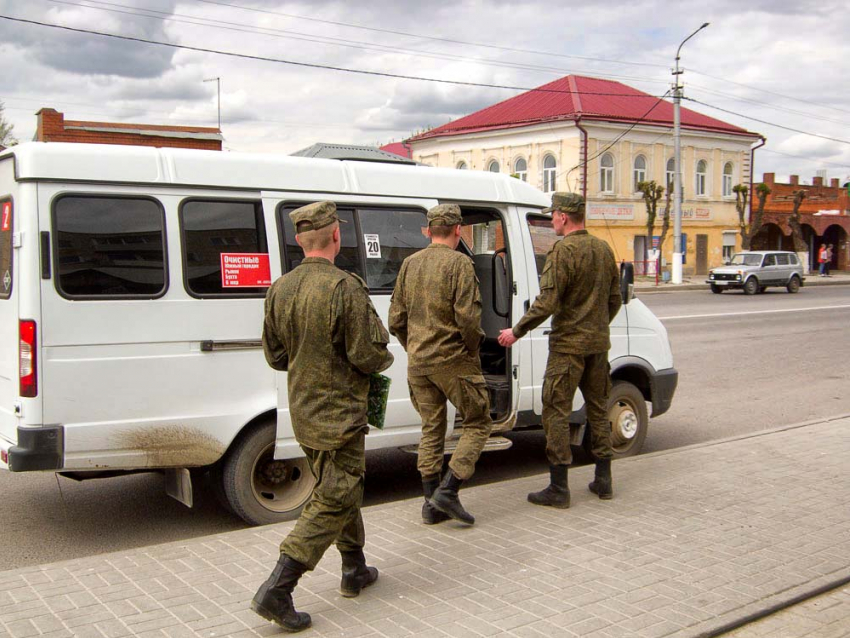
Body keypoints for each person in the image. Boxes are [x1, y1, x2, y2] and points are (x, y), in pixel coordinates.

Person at [253, 201, 394, 633]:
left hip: (304, 412)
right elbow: (368, 354)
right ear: (337, 236)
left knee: (340, 485)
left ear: (299, 240)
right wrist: (381, 355)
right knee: (336, 494)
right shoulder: (345, 287)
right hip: (341, 415)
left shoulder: (281, 288)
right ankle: (279, 587)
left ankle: (355, 568)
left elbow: (276, 356)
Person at [498, 192, 621, 509]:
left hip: (568, 348)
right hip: (598, 346)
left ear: (564, 217)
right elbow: (615, 299)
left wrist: (516, 330)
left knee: (555, 411)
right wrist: (596, 325)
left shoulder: (563, 251)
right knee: (597, 409)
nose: (551, 219)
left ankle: (559, 487)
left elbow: (547, 301)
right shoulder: (603, 249)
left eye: (553, 214)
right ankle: (604, 480)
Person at [389, 203, 493, 526]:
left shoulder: (409, 264)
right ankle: (449, 488)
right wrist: (473, 349)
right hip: (453, 362)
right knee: (478, 421)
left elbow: (396, 319)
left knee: (432, 427)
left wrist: (415, 347)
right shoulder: (460, 264)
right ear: (459, 230)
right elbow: (469, 319)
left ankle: (431, 505)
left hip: (418, 364)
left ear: (428, 231)